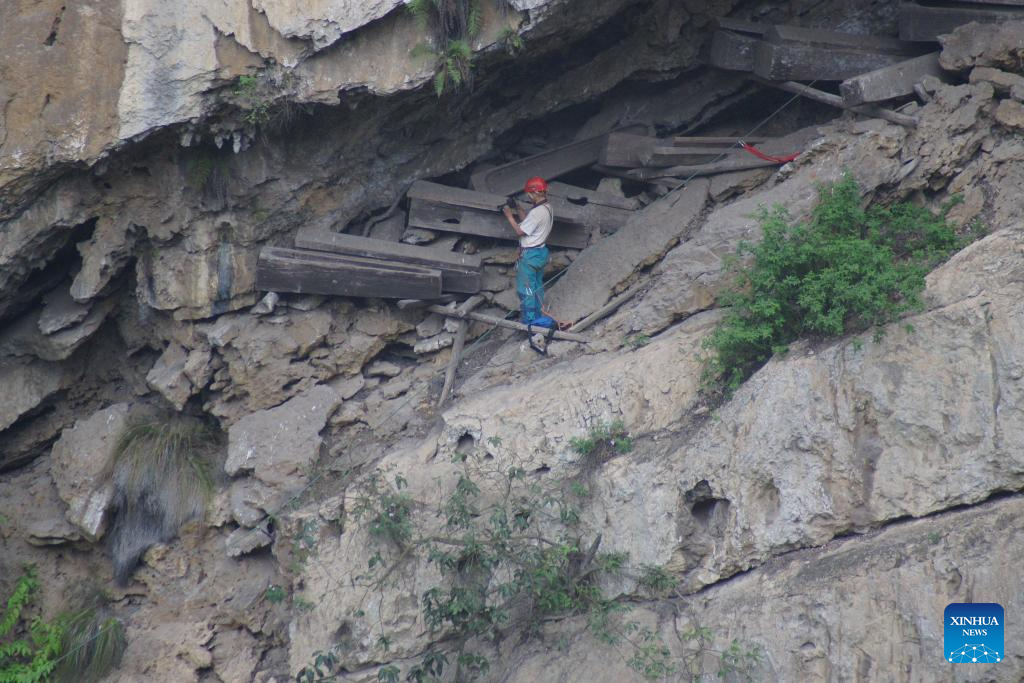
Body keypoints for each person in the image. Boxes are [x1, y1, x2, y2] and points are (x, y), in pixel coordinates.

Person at [502, 176, 554, 325]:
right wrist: (518, 208)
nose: (529, 197)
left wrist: (509, 215)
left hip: (530, 256)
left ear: (535, 193)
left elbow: (520, 230)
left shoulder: (537, 213)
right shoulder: (546, 207)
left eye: (529, 195)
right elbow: (529, 222)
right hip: (540, 253)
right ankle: (539, 315)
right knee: (537, 286)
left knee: (527, 290)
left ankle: (530, 320)